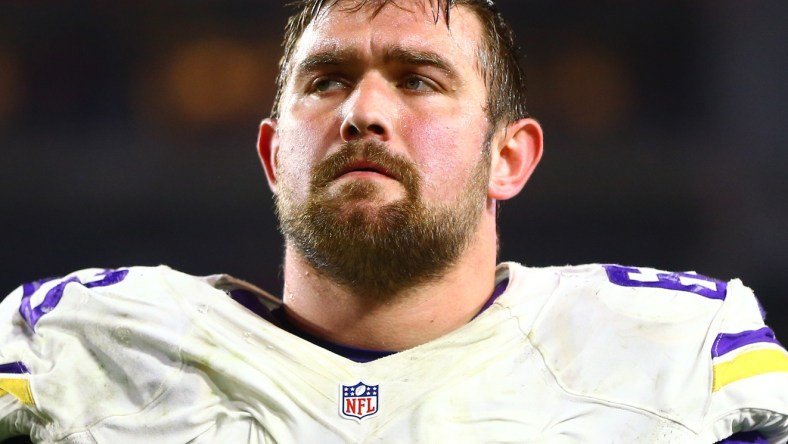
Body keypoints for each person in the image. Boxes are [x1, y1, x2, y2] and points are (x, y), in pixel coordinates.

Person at [1, 0, 786, 442]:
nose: (363, 113)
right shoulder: (80, 344)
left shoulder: (674, 347)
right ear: (275, 157)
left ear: (508, 158)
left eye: (418, 80)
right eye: (328, 79)